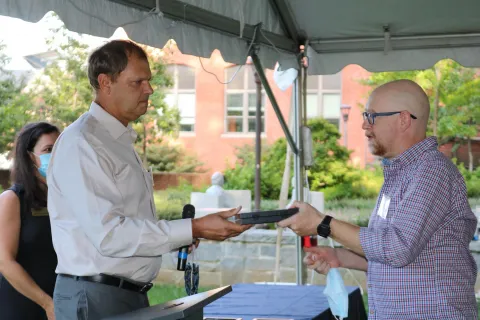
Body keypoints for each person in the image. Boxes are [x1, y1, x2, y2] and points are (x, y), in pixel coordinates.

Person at [47, 40, 251, 319]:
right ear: (105, 82)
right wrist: (193, 228)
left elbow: (130, 222)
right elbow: (109, 236)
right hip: (95, 295)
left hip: (124, 293)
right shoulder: (83, 143)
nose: (149, 89)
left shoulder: (116, 139)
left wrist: (183, 234)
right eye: (138, 82)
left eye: (149, 81)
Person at [278, 80, 478, 319]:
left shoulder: (431, 171)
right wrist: (339, 257)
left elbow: (397, 249)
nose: (364, 125)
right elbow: (391, 253)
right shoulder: (401, 173)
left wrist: (323, 224)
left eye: (372, 116)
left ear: (404, 119)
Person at [0, 122, 60, 320]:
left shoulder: (65, 199)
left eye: (60, 147)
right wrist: (46, 303)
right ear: (29, 156)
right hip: (23, 306)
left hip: (61, 302)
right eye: (48, 149)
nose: (56, 154)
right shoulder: (12, 200)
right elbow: (4, 261)